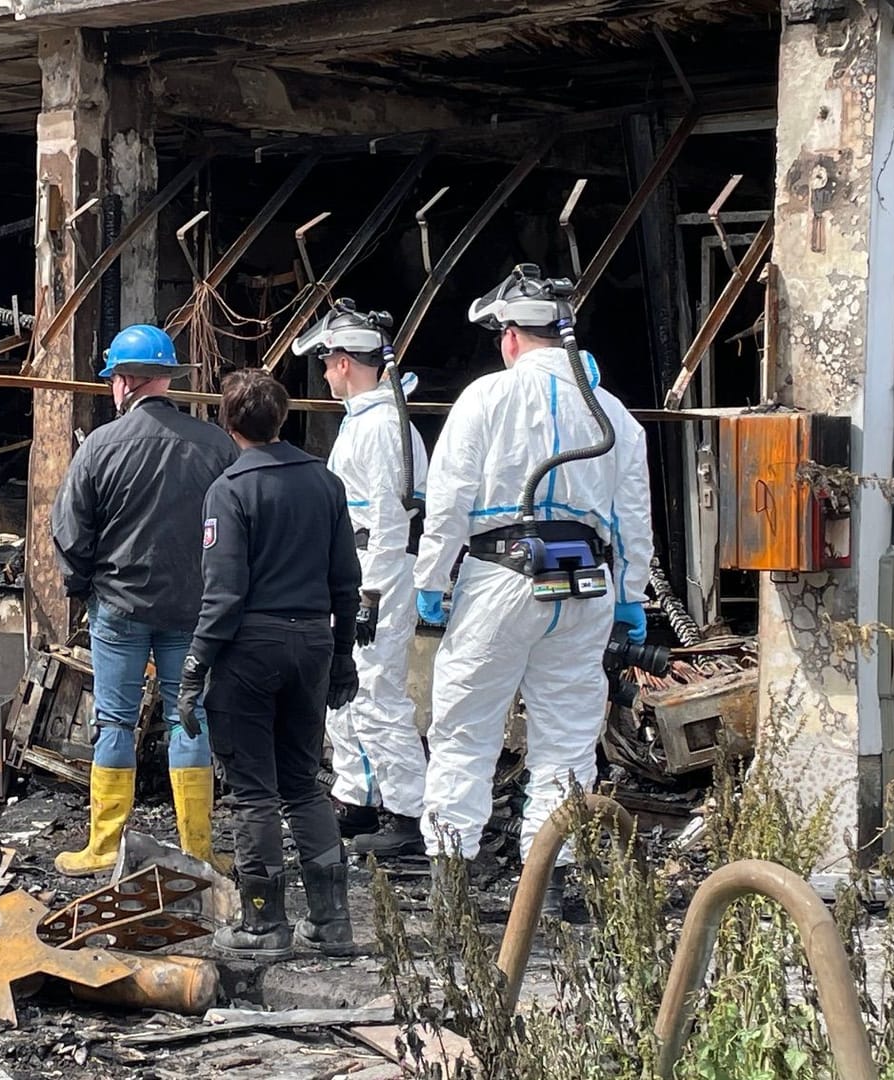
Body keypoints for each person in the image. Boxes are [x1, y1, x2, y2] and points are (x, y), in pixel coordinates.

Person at [412, 265, 653, 915]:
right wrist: (630, 598)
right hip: (586, 580)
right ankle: (553, 884)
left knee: (466, 728)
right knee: (569, 736)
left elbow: (450, 499)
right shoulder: (613, 415)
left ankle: (452, 888)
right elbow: (634, 515)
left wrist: (430, 580)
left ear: (512, 337)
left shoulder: (487, 399)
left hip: (502, 573)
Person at [178, 369, 362, 959]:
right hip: (311, 642)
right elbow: (346, 582)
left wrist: (193, 669)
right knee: (304, 784)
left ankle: (263, 924)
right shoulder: (325, 484)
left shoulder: (229, 491)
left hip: (249, 651)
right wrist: (342, 659)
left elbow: (223, 592)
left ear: (228, 425)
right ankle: (332, 922)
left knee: (254, 791)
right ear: (282, 419)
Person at [51, 324, 236, 876]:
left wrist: (81, 587)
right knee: (190, 720)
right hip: (193, 611)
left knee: (115, 723)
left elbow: (69, 531)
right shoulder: (216, 446)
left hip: (119, 607)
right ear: (165, 379)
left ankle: (105, 848)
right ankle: (197, 851)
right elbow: (236, 528)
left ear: (125, 382)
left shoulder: (100, 447)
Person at [293, 300, 432, 859]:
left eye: (328, 362)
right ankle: (356, 796)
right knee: (344, 691)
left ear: (346, 362)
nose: (325, 373)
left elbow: (390, 521)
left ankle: (408, 813)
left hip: (373, 571)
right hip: (355, 570)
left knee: (375, 691)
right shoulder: (370, 422)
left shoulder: (379, 428)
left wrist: (368, 597)